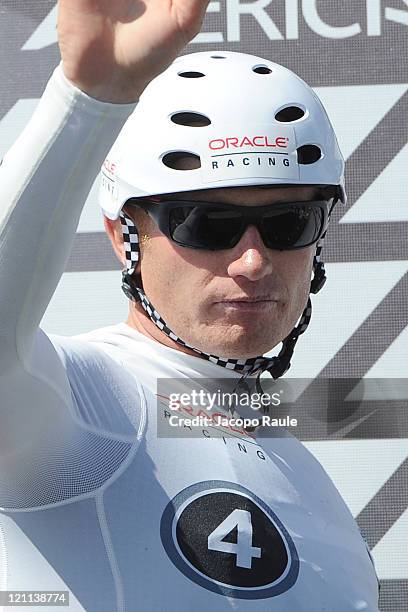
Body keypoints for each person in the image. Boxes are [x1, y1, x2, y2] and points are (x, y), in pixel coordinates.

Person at [0, 1, 380, 610]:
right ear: (126, 235)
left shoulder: (298, 465)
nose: (252, 261)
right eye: (206, 224)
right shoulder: (80, 411)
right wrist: (86, 101)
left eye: (288, 223)